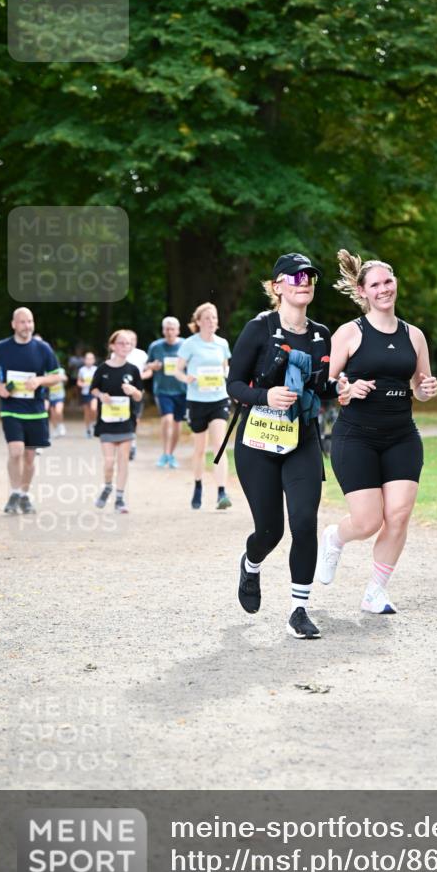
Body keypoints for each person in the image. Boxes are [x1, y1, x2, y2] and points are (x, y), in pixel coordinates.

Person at [226, 253, 343, 639]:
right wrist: (265, 395)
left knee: (305, 521)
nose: (304, 281)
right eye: (294, 276)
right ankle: (252, 564)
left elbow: (324, 386)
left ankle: (299, 610)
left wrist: (340, 387)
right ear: (277, 286)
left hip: (302, 439)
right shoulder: (259, 328)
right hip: (257, 440)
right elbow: (234, 385)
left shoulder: (322, 334)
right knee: (271, 531)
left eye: (309, 276)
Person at [316, 249, 437, 614]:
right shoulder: (350, 333)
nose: (384, 289)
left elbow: (420, 384)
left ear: (395, 284)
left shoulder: (414, 336)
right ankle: (335, 537)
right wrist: (347, 389)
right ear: (363, 291)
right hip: (356, 436)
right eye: (375, 284)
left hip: (402, 435)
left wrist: (426, 391)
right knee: (368, 522)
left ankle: (375, 591)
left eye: (388, 281)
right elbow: (323, 382)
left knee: (398, 515)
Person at [0, 307, 63, 514]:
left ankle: (24, 495)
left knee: (29, 456)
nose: (27, 326)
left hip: (35, 409)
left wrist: (40, 380)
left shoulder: (43, 349)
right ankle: (15, 491)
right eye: (22, 322)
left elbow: (58, 376)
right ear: (13, 324)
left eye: (30, 321)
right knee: (15, 450)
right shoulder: (1, 348)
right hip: (11, 408)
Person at [176, 303, 232, 510]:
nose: (211, 322)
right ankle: (198, 486)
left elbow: (226, 370)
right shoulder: (190, 344)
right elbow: (177, 371)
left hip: (218, 399)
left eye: (214, 318)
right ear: (198, 321)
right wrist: (186, 377)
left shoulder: (222, 344)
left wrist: (227, 379)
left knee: (219, 445)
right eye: (207, 318)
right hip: (197, 401)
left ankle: (221, 492)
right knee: (200, 448)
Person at [91, 329, 143, 514]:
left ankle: (120, 498)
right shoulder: (103, 368)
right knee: (109, 462)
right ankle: (107, 486)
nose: (124, 346)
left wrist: (133, 391)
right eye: (120, 343)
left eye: (128, 343)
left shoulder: (133, 370)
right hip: (106, 422)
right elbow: (93, 389)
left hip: (126, 422)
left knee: (123, 461)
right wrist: (101, 396)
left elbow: (139, 397)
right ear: (112, 345)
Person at [146, 316, 186, 468]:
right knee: (167, 419)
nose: (170, 332)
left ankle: (171, 454)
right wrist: (152, 366)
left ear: (178, 330)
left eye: (172, 329)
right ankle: (164, 453)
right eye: (167, 329)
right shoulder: (155, 347)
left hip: (182, 390)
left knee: (177, 423)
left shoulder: (185, 345)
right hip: (163, 390)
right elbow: (147, 365)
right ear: (163, 330)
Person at [110, 331, 151, 460]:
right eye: (128, 340)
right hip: (120, 392)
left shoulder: (141, 354)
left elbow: (149, 371)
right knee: (122, 417)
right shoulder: (116, 353)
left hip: (137, 391)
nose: (130, 342)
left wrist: (139, 377)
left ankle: (132, 443)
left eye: (133, 340)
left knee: (135, 419)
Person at [77, 351, 98, 437]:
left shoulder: (96, 369)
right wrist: (83, 384)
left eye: (91, 358)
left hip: (93, 393)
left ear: (94, 360)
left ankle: (93, 423)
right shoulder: (82, 370)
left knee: (94, 409)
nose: (89, 360)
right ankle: (87, 429)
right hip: (85, 393)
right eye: (87, 358)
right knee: (87, 412)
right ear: (85, 360)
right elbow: (79, 382)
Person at [48, 368, 68, 437]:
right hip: (50, 396)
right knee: (53, 414)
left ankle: (61, 425)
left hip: (59, 395)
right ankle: (55, 429)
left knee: (58, 411)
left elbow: (65, 379)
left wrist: (61, 377)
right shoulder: (46, 371)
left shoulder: (61, 370)